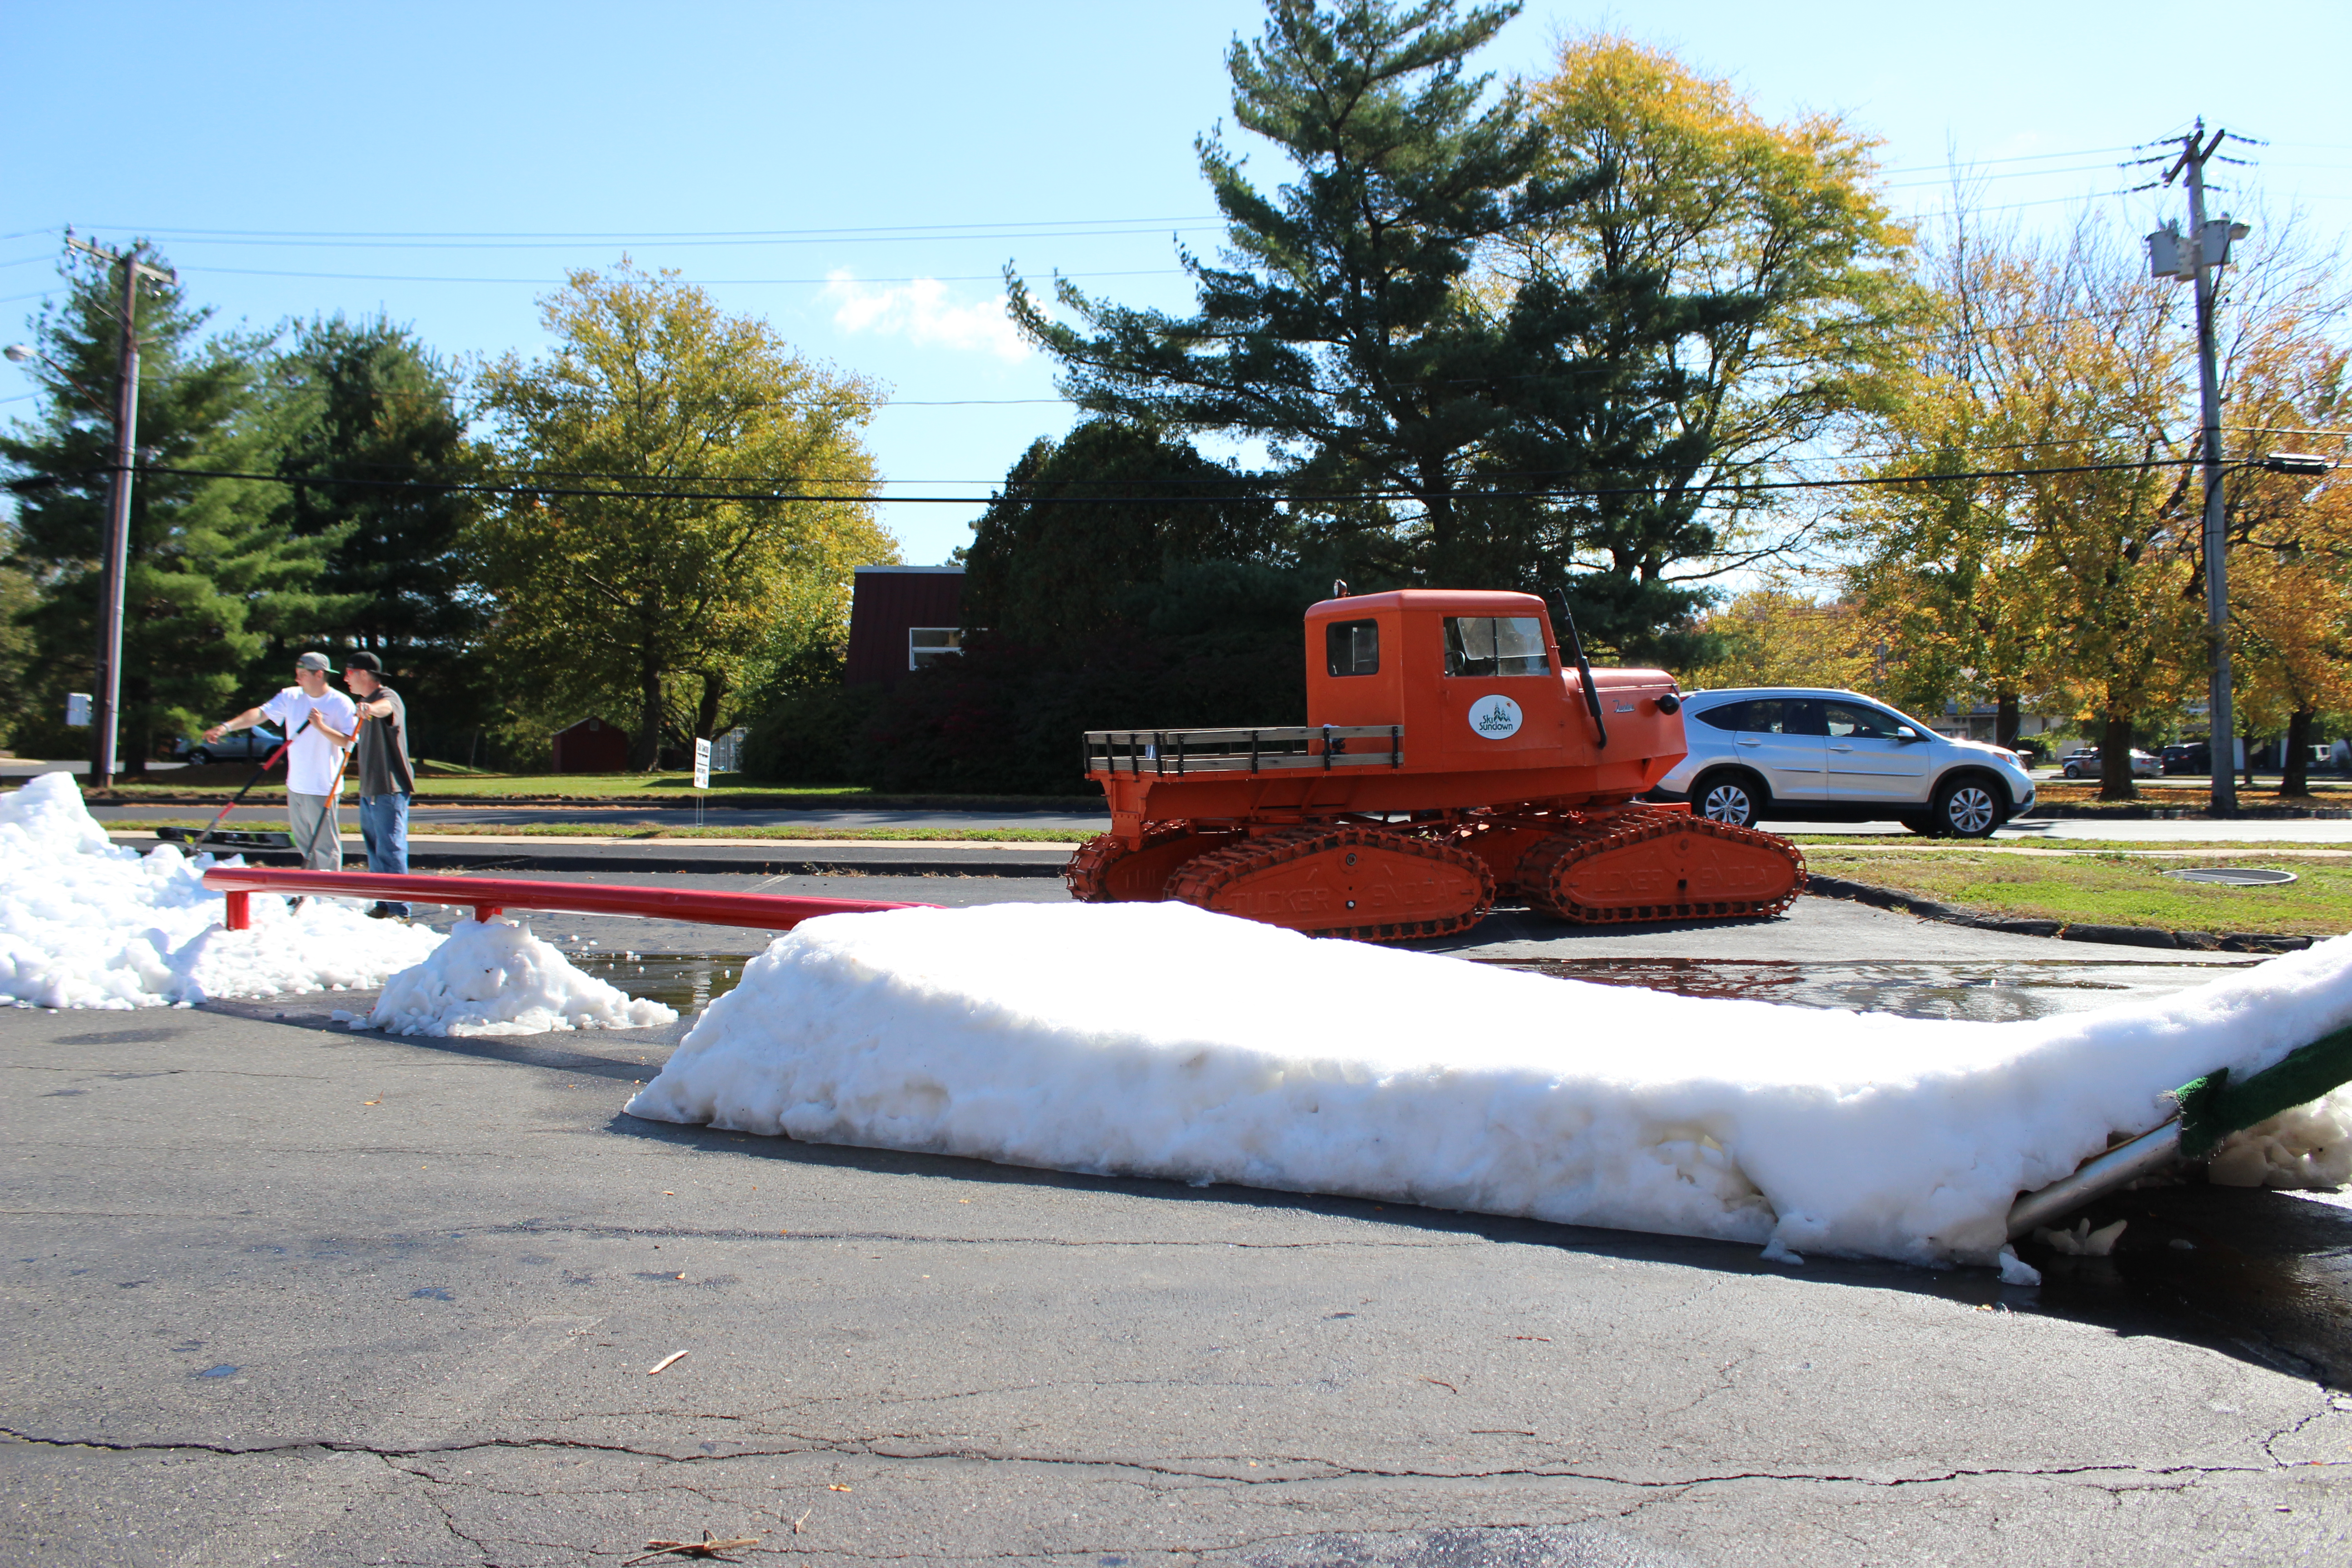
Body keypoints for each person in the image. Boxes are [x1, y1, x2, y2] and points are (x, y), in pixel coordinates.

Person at [205, 652, 356, 874]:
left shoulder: (340, 703)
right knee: (306, 846)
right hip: (296, 784)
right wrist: (227, 727)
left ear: (319, 675)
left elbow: (349, 742)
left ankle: (329, 894)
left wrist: (321, 727)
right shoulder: (291, 696)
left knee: (325, 848)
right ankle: (310, 889)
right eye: (297, 674)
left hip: (324, 785)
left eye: (302, 675)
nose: (298, 679)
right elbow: (260, 714)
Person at [341, 651, 416, 920]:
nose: (346, 679)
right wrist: (321, 727)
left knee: (391, 848)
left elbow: (387, 709)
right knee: (374, 850)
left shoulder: (386, 697)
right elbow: (348, 742)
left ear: (363, 674)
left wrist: (370, 709)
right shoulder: (363, 704)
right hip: (369, 790)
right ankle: (384, 903)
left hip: (389, 788)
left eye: (349, 673)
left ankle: (400, 910)